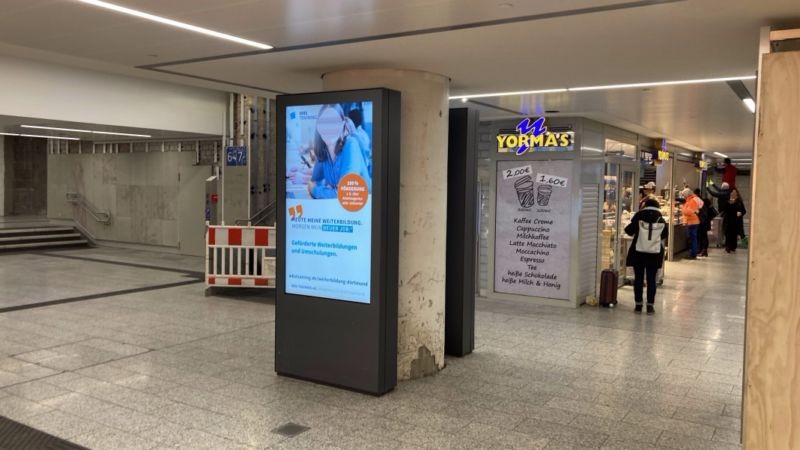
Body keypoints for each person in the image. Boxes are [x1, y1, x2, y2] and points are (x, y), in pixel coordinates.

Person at [308, 104, 371, 199]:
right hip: (339, 209)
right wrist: (328, 190)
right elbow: (314, 181)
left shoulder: (351, 145)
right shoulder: (324, 149)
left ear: (342, 125)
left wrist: (315, 190)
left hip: (362, 209)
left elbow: (344, 193)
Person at [625, 198, 669, 315]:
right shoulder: (660, 218)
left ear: (645, 205)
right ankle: (650, 306)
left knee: (638, 278)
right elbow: (665, 234)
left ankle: (638, 305)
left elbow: (628, 230)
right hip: (654, 253)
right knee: (651, 279)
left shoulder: (639, 215)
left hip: (638, 252)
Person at [681, 188, 704, 259]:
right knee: (693, 238)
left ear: (687, 195)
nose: (683, 197)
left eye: (684, 195)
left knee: (692, 239)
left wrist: (682, 208)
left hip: (692, 222)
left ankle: (692, 254)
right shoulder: (693, 199)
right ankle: (693, 253)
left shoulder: (692, 200)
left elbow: (689, 212)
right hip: (693, 221)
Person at [724, 188, 747, 253]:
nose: (733, 194)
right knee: (728, 234)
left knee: (734, 234)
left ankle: (733, 246)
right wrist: (729, 203)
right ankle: (728, 246)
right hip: (728, 220)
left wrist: (740, 213)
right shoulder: (728, 201)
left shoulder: (739, 202)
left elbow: (744, 211)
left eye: (734, 193)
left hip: (736, 221)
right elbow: (725, 209)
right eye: (732, 193)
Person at [697, 189, 717, 257]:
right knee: (704, 236)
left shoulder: (700, 202)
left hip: (702, 222)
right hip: (706, 221)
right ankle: (704, 250)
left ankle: (702, 250)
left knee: (702, 236)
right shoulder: (706, 201)